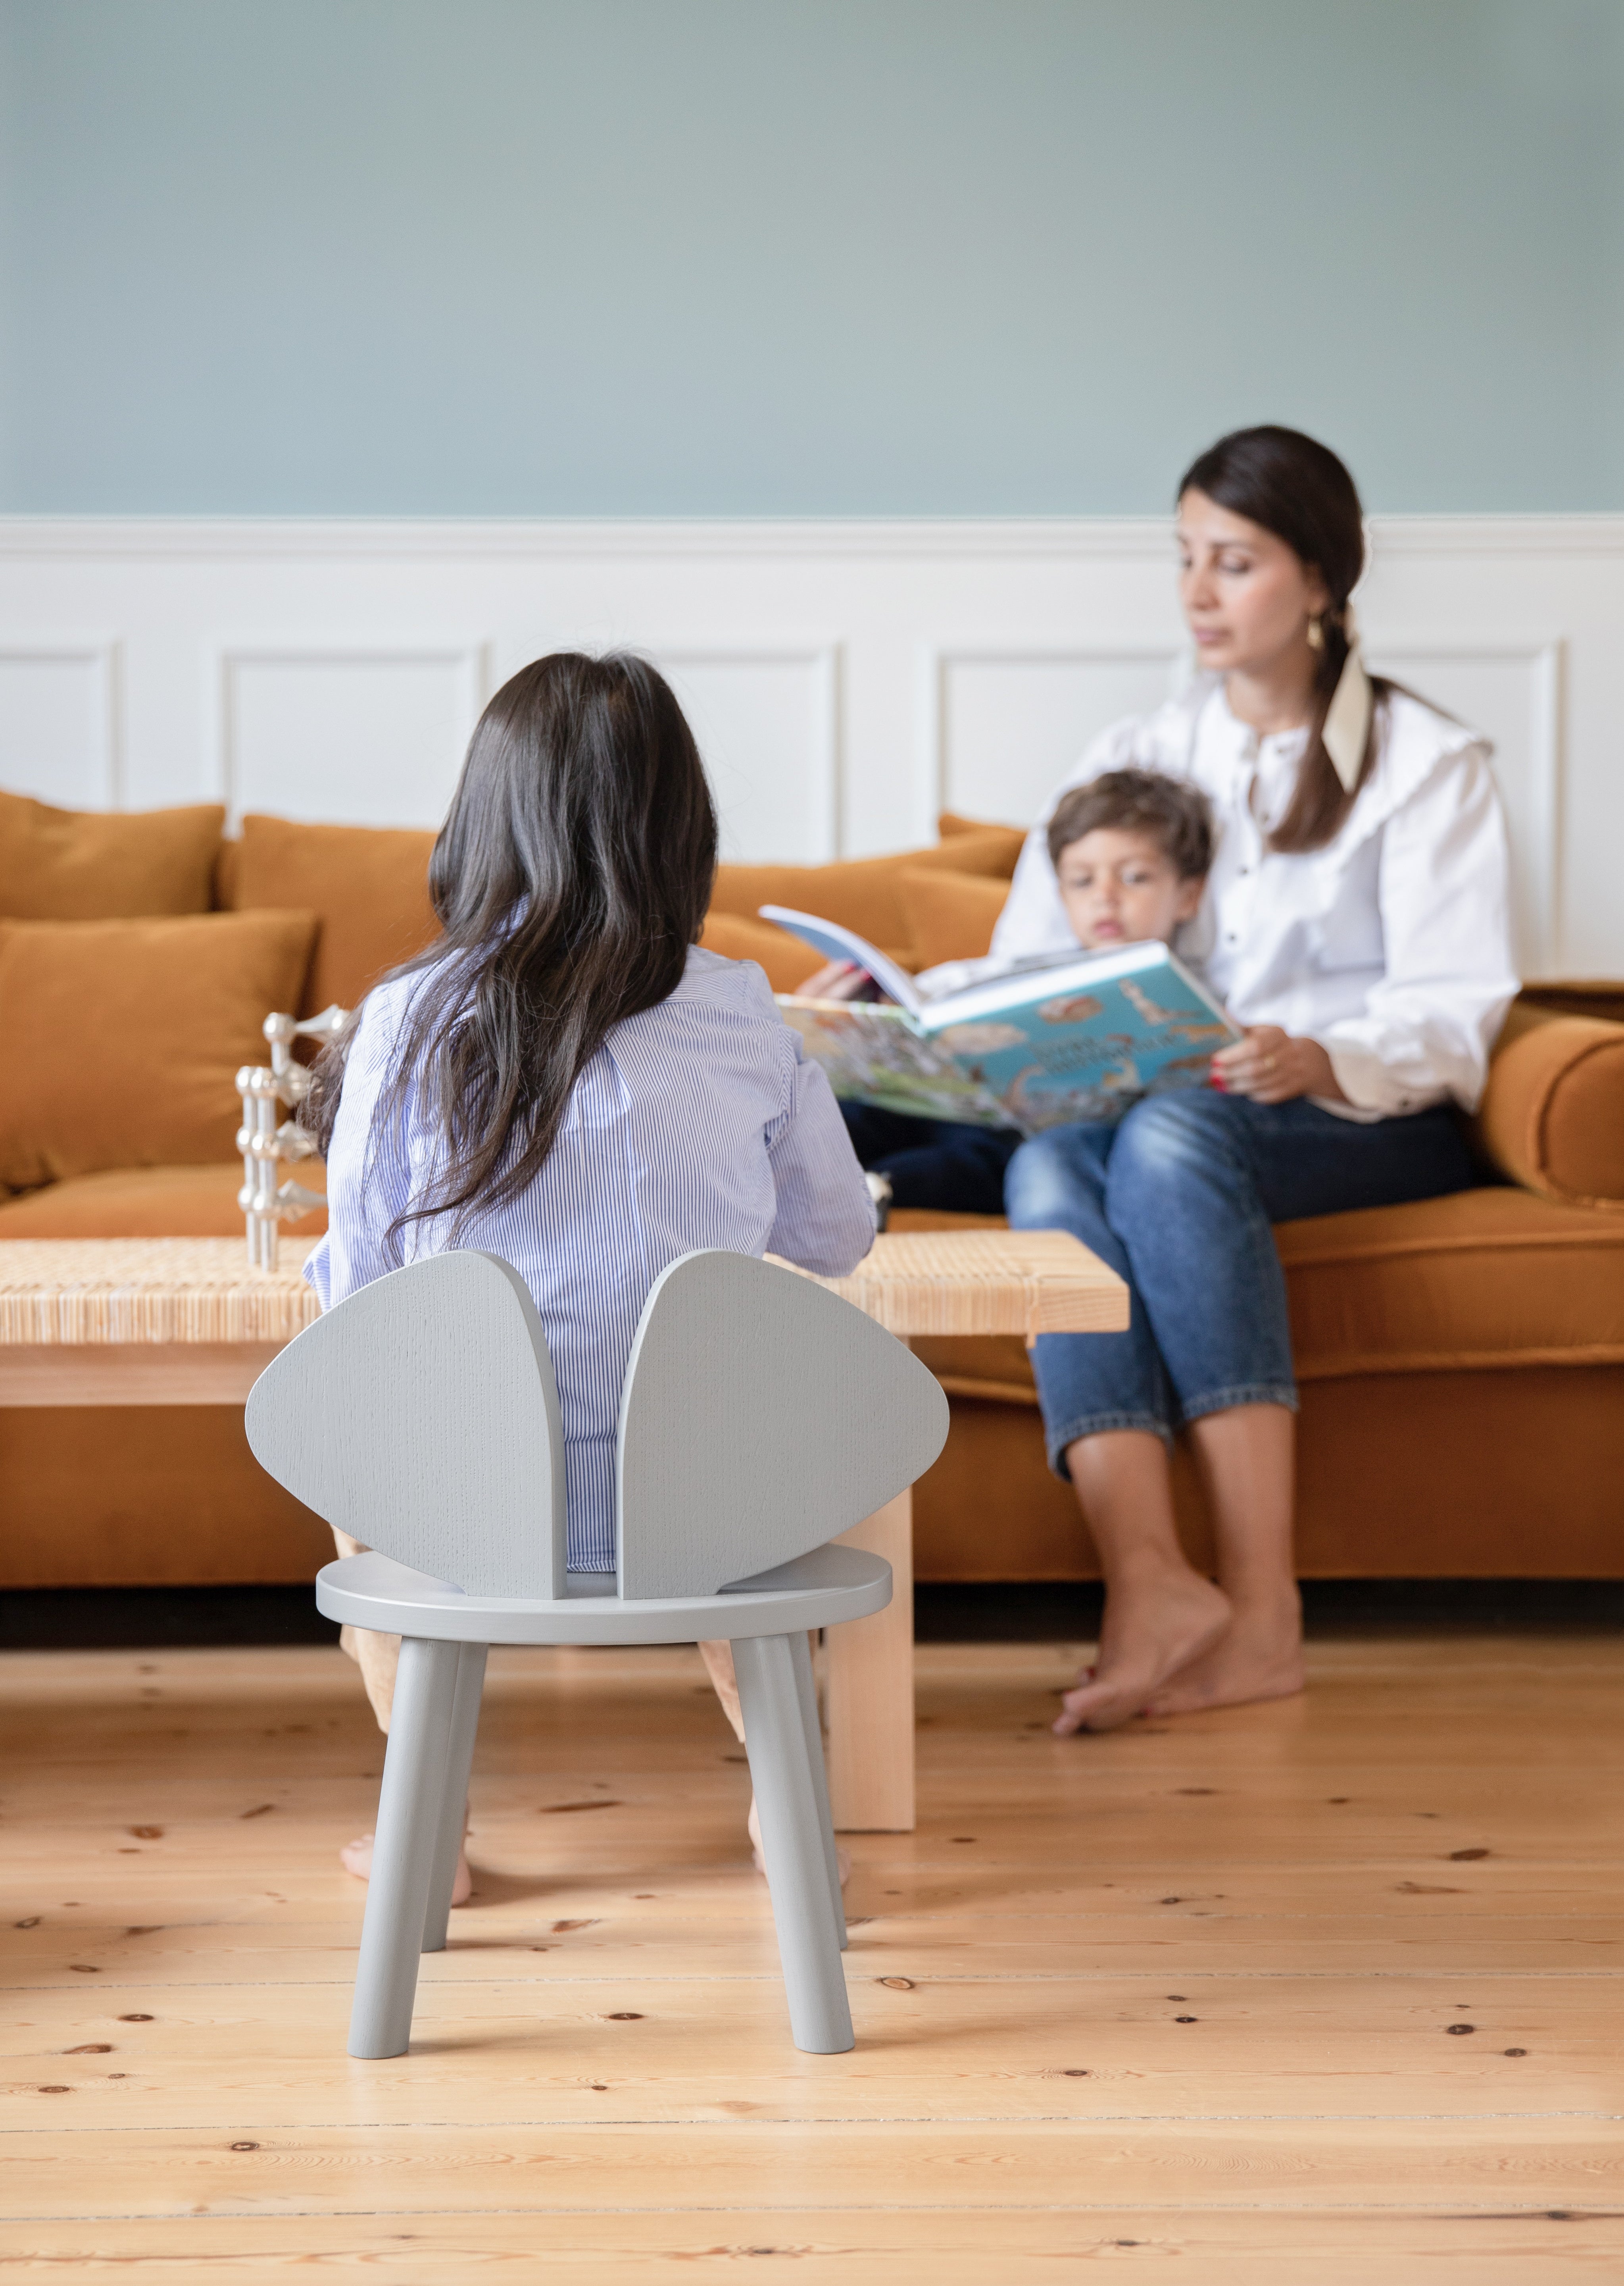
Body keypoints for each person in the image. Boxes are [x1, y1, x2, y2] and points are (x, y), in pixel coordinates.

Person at [303, 652, 874, 1900]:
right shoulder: (740, 1009)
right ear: (680, 829)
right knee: (742, 1427)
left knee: (362, 1435)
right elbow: (834, 1240)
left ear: (481, 818)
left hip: (469, 1506)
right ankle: (788, 1802)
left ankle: (427, 1831)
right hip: (702, 1512)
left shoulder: (402, 1015)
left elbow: (358, 1283)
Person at [995, 425, 1518, 1735]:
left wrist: (1319, 1056)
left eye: (1232, 562)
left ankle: (1265, 1608)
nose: (1196, 593)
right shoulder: (1135, 748)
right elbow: (1026, 962)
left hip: (1356, 1117)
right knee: (1049, 1160)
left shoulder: (1426, 765)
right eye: (1184, 559)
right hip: (1158, 1116)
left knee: (1173, 1137)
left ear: (1322, 583)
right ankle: (1149, 1583)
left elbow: (1454, 1020)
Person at [807, 769, 1217, 1212]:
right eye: (1082, 881)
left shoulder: (1189, 997)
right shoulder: (1018, 969)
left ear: (1188, 897)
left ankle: (872, 1190)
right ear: (1061, 896)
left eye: (1134, 878)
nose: (1106, 896)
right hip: (943, 1104)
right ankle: (783, 1174)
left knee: (980, 1161)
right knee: (857, 1114)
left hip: (1023, 1136)